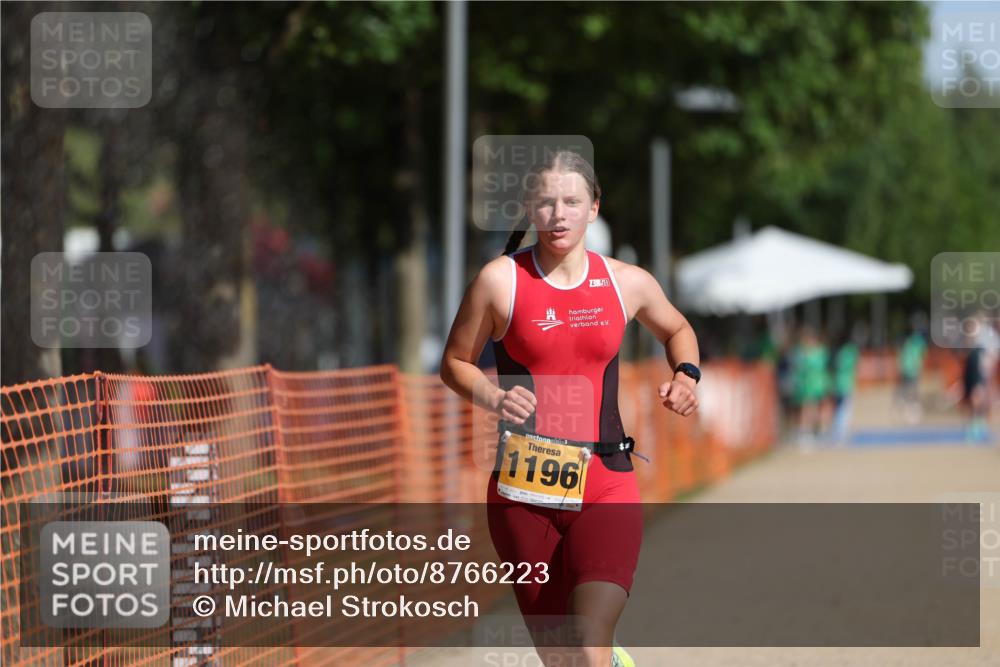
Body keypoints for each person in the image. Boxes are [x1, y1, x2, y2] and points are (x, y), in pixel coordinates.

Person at [440, 150, 699, 667]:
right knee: (562, 658)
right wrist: (494, 396)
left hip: (607, 479)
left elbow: (678, 330)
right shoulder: (499, 282)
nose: (558, 214)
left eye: (572, 202)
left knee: (586, 641)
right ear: (529, 209)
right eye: (546, 202)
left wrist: (686, 375)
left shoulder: (627, 282)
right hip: (522, 491)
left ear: (593, 209)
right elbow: (453, 362)